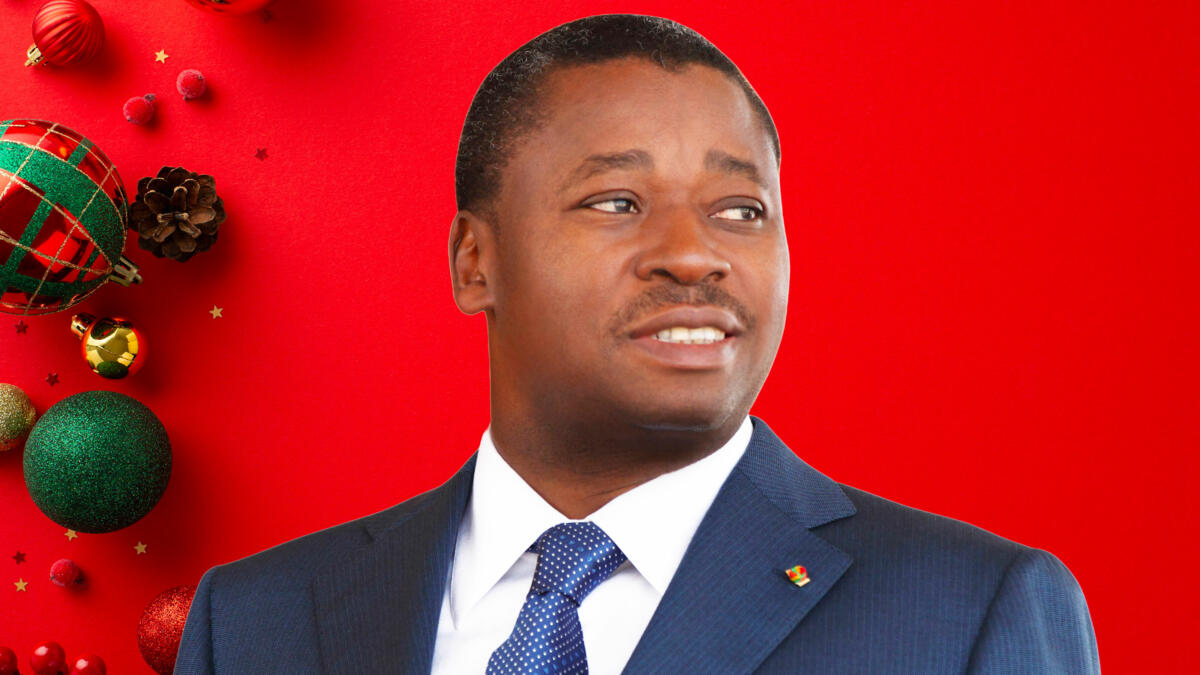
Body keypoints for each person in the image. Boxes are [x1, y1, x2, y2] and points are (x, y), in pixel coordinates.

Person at [174, 14, 1099, 674]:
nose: (695, 254)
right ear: (474, 262)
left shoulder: (971, 613)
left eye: (742, 210)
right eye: (617, 201)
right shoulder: (256, 623)